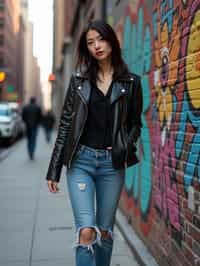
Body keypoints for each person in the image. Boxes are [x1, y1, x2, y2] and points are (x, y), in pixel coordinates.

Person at [46, 20, 143, 266]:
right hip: (81, 162)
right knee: (86, 231)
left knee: (105, 231)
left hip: (112, 165)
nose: (96, 46)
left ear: (111, 41)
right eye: (90, 42)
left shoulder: (131, 83)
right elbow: (66, 125)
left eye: (100, 39)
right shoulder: (79, 81)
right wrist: (54, 169)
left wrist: (125, 145)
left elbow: (135, 123)